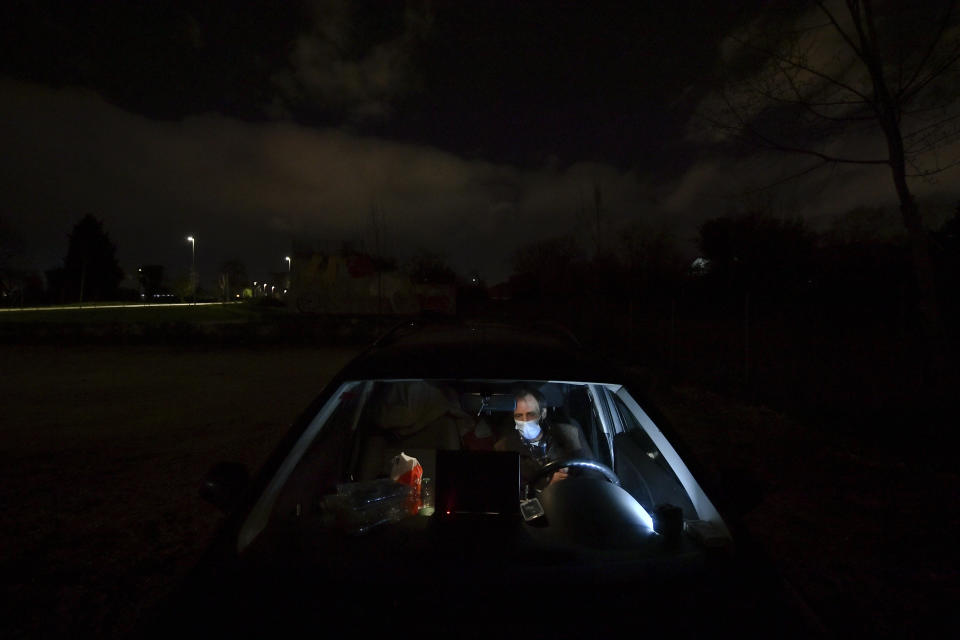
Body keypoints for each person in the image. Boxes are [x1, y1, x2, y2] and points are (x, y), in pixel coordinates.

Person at [494, 385, 593, 494]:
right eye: (518, 416)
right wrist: (548, 488)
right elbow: (509, 494)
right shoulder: (504, 448)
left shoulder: (568, 434)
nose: (525, 420)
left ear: (543, 413)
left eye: (531, 414)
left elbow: (592, 473)